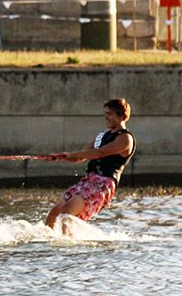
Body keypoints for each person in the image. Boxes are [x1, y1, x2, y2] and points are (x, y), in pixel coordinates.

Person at [40, 98, 136, 229]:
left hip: (103, 184)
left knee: (66, 213)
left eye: (109, 114)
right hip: (88, 180)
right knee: (54, 213)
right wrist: (61, 157)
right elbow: (81, 156)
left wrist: (72, 154)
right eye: (105, 114)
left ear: (121, 116)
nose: (105, 117)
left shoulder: (126, 139)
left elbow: (100, 153)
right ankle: (46, 242)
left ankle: (67, 246)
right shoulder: (102, 136)